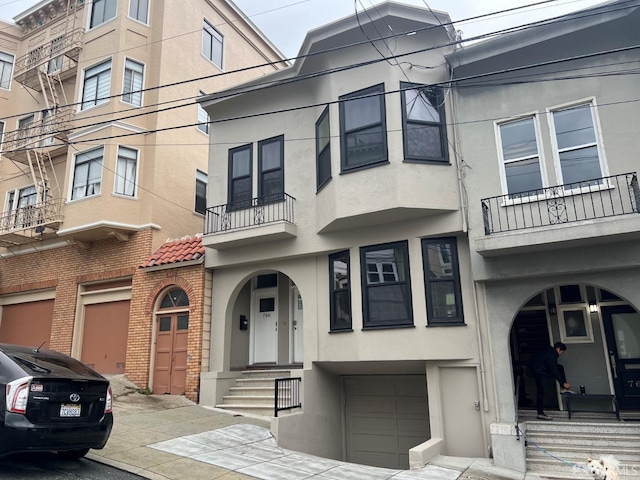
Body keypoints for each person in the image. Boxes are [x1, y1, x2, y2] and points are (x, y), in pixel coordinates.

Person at [528, 342, 573, 420]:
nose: (560, 354)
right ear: (558, 349)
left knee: (560, 367)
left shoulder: (547, 351)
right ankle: (540, 413)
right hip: (539, 371)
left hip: (538, 369)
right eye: (561, 352)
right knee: (541, 391)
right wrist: (562, 382)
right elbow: (553, 369)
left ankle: (563, 388)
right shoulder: (552, 354)